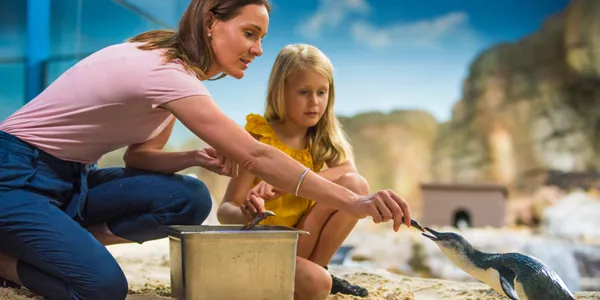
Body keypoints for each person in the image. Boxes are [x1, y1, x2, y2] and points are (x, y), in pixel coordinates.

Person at [0, 0, 412, 299]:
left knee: (190, 196)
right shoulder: (165, 73)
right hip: (15, 175)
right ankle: (5, 259)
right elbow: (258, 156)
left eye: (262, 37)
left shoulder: (174, 75)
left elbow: (137, 158)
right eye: (249, 34)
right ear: (212, 21)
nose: (258, 49)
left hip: (73, 180)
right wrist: (357, 202)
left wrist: (195, 157)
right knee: (103, 288)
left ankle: (69, 239)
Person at [217, 44, 370, 299]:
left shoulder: (322, 139)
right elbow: (225, 211)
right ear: (281, 92)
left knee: (356, 186)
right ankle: (316, 275)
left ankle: (319, 267)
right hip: (263, 248)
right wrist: (246, 212)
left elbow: (348, 171)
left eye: (322, 92)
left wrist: (289, 183)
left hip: (300, 243)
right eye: (303, 92)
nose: (314, 102)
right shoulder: (259, 138)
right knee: (317, 285)